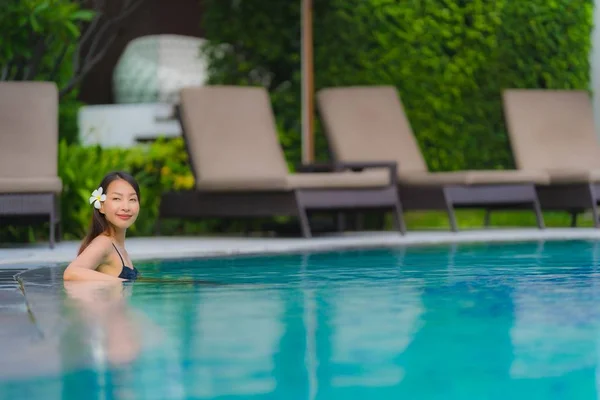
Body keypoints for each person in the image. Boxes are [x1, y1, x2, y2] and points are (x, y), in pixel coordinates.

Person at [63, 171, 140, 281]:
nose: (126, 207)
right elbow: (71, 273)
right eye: (117, 198)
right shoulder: (104, 243)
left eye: (132, 199)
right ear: (101, 206)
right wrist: (122, 282)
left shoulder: (118, 246)